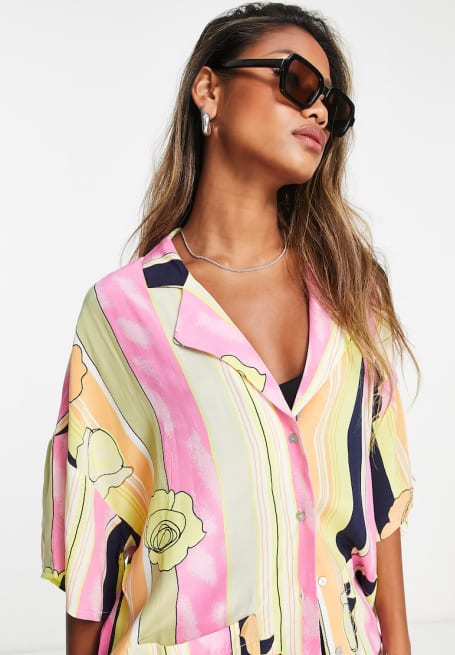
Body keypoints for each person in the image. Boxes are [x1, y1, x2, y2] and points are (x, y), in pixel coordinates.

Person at [41, 3, 417, 654]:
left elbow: (380, 513)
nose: (319, 112)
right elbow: (92, 544)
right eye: (298, 82)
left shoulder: (353, 295)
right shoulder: (125, 311)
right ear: (209, 89)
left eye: (332, 104)